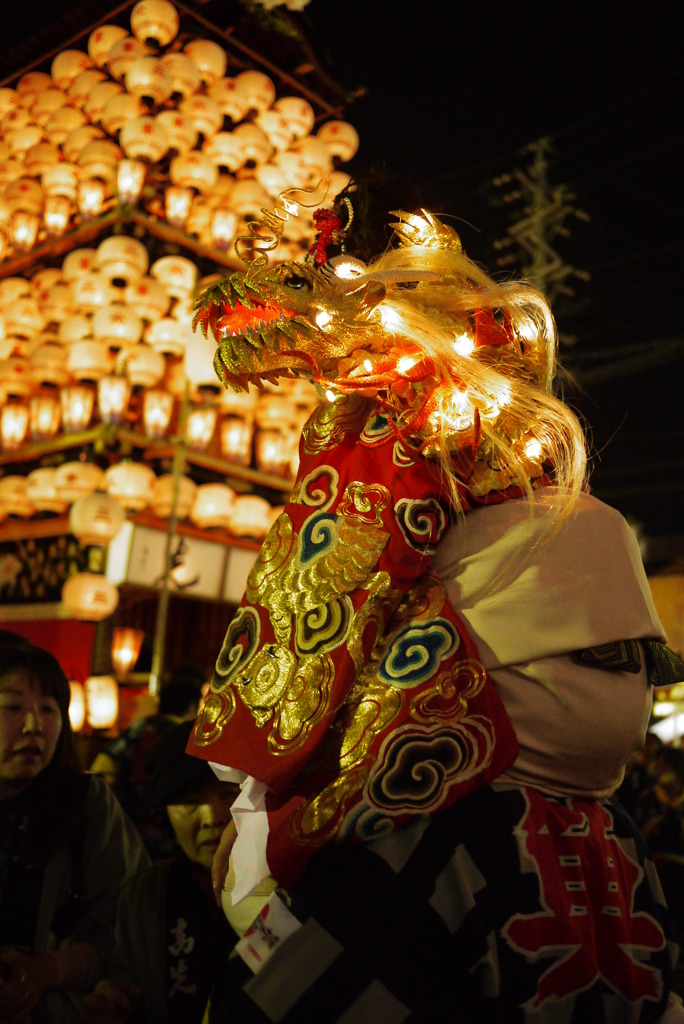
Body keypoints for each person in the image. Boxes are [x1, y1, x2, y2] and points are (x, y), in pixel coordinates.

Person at [186, 181, 684, 1021]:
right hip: (573, 804)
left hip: (453, 777)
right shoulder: (539, 460)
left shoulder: (385, 440)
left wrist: (253, 779)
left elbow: (306, 613)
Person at [0, 641, 149, 1024]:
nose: (33, 726)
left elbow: (129, 915)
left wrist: (50, 969)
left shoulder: (86, 802)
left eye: (48, 709)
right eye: (12, 707)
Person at [78, 720, 238, 1024]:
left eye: (228, 793)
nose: (211, 816)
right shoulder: (145, 895)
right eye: (189, 802)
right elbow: (126, 980)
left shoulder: (288, 883)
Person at [90, 664, 206, 860]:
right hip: (173, 844)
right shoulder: (191, 739)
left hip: (129, 837)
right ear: (191, 707)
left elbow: (101, 767)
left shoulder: (139, 727)